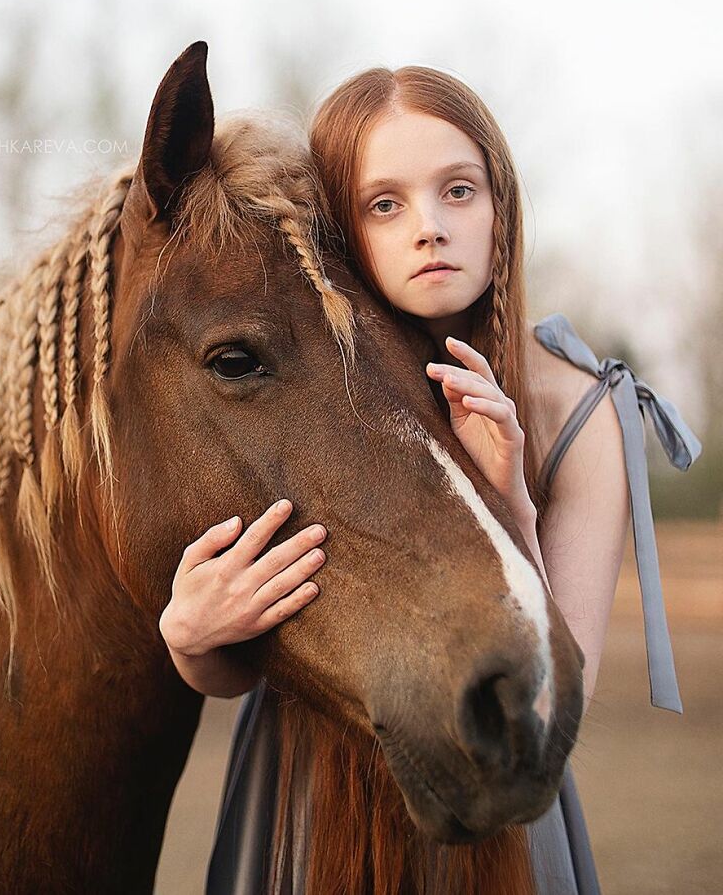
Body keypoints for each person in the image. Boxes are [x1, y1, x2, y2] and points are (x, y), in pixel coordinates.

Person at [158, 65, 702, 894]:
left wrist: (507, 489)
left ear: (500, 206)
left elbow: (561, 694)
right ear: (339, 226)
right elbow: (250, 661)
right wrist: (192, 639)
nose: (430, 228)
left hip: (502, 817)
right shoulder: (300, 390)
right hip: (302, 798)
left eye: (458, 190)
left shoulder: (579, 407)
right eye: (385, 203)